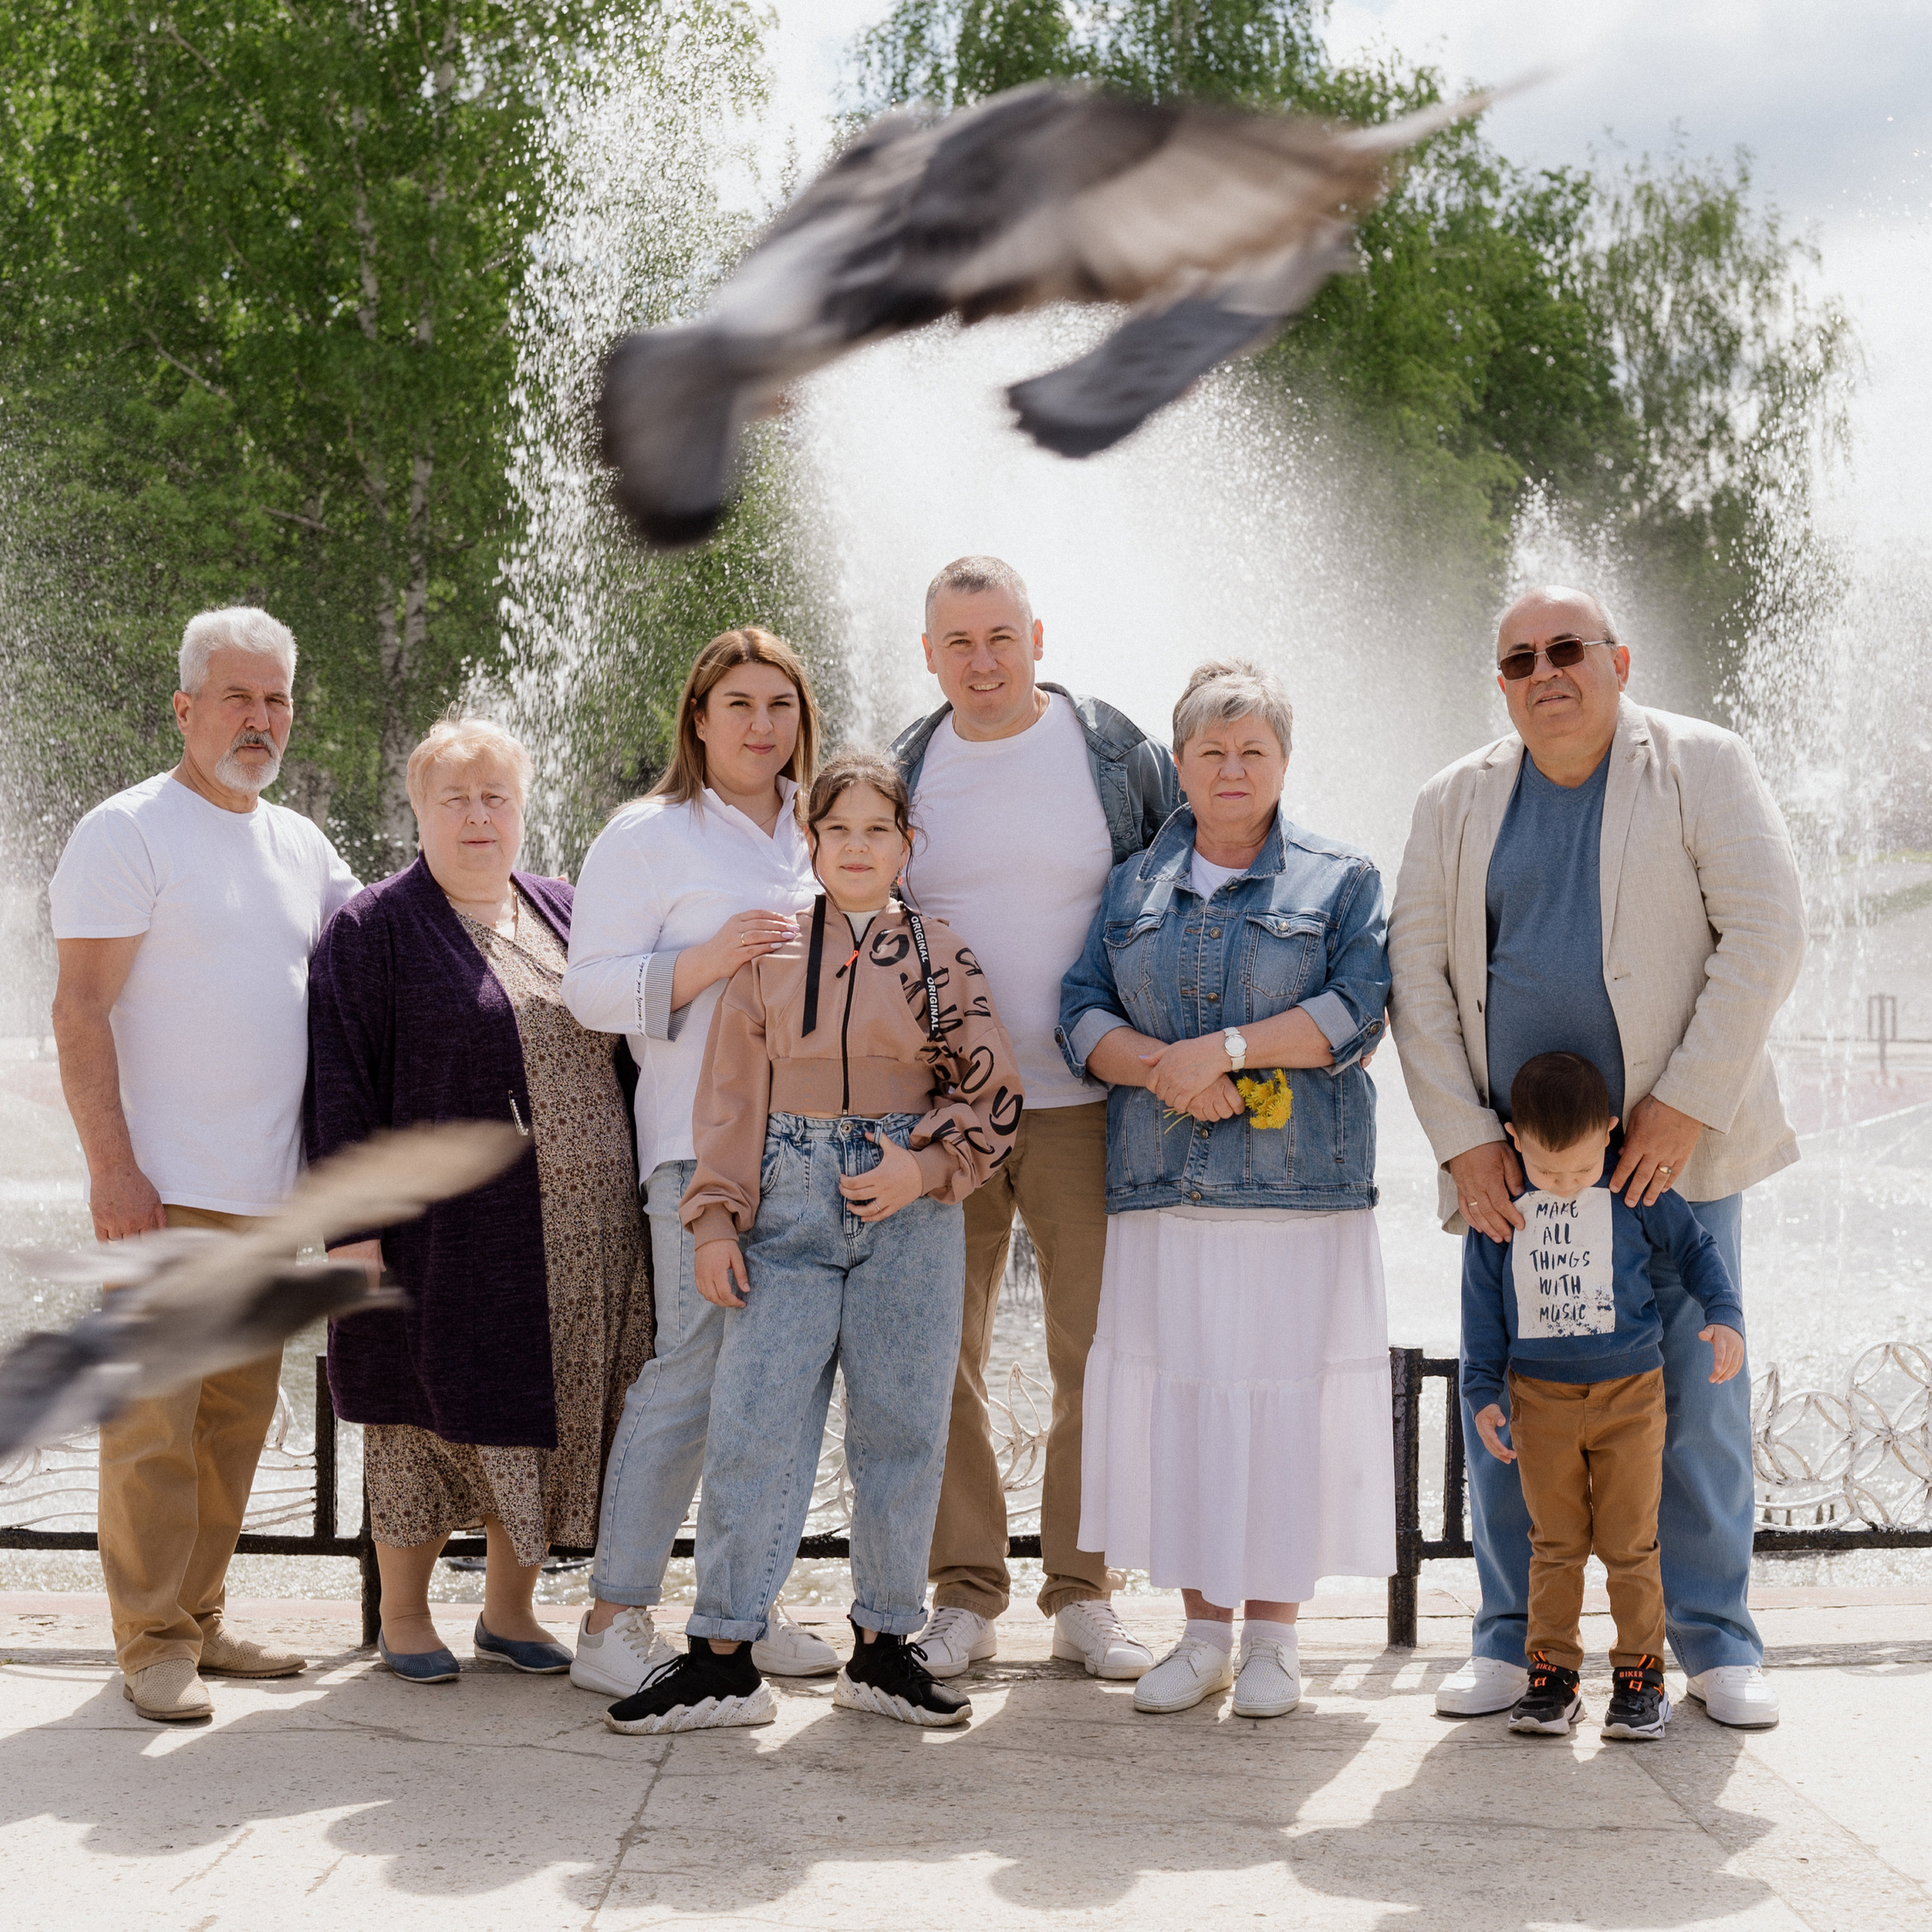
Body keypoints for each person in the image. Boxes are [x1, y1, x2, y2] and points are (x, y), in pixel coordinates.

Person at [1389, 585, 1806, 1730]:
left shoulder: (1701, 764)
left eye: (1567, 650)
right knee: (1513, 1405)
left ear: (1619, 660)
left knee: (1696, 1399)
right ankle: (1515, 1644)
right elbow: (1414, 975)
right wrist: (1467, 1142)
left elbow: (1770, 927)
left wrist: (1681, 1108)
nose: (1544, 673)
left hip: (1673, 1163)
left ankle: (1716, 1644)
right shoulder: (1453, 801)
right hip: (1518, 1176)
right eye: (1519, 658)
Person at [602, 754, 1026, 1734]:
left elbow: (992, 1098)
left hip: (907, 1213)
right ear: (813, 844)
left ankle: (882, 1652)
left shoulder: (942, 956)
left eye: (879, 830)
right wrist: (712, 1219)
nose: (859, 847)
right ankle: (721, 1660)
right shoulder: (769, 958)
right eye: (839, 831)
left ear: (906, 845)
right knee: (755, 1423)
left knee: (902, 1430)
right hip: (782, 1210)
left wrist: (920, 1173)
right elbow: (727, 1104)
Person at [1059, 659, 1394, 1718]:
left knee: (1281, 1408)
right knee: (1192, 1405)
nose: (1233, 768)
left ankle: (1275, 1643)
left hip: (1295, 1198)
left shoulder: (1339, 879)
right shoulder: (1131, 889)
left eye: (1254, 750)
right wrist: (1162, 1065)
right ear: (1184, 769)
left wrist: (1228, 1049)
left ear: (1284, 762)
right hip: (1165, 1190)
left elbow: (1359, 1010)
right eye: (1212, 752)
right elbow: (1077, 1014)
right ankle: (1202, 1634)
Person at [48, 606, 358, 1722]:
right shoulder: (126, 832)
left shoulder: (303, 845)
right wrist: (112, 1171)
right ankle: (148, 1642)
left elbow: (365, 971)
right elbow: (79, 1012)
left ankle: (202, 1616)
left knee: (232, 1419)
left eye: (276, 700)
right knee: (151, 1425)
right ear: (184, 709)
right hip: (163, 1191)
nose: (260, 720)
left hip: (272, 1196)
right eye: (238, 697)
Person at [305, 718, 654, 1683]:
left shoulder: (563, 907)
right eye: (453, 797)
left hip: (583, 1235)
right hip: (446, 1237)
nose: (477, 815)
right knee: (422, 1420)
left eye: (495, 795)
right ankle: (406, 1616)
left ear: (522, 808)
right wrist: (353, 1231)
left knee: (548, 1410)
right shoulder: (372, 928)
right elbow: (340, 1081)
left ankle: (509, 1611)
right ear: (417, 810)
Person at [891, 555, 1180, 1684]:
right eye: (958, 642)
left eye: (1000, 635)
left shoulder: (1113, 755)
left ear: (1038, 636)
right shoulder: (908, 771)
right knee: (935, 1356)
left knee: (1095, 1356)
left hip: (1082, 1105)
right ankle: (964, 1593)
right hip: (946, 1113)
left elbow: (1177, 886)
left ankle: (1084, 1592)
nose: (982, 660)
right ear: (927, 656)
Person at [561, 628, 838, 1692]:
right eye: (739, 705)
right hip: (695, 1150)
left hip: (816, 1148)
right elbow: (590, 989)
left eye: (781, 705)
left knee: (785, 1381)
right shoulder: (648, 835)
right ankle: (612, 1619)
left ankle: (741, 1605)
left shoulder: (819, 835)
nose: (762, 725)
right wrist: (703, 962)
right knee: (692, 1370)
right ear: (698, 719)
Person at [1462, 1052, 1745, 1743]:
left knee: (1630, 1544)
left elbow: (1698, 1248)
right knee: (1553, 1545)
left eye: (1581, 1171)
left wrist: (1724, 1314)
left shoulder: (1630, 1190)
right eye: (1548, 1172)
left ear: (1611, 1134)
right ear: (1514, 1138)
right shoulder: (1504, 1207)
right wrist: (1482, 1391)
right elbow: (1482, 1311)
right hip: (1541, 1400)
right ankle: (1552, 1678)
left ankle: (1640, 1679)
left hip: (1630, 1396)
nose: (1564, 1185)